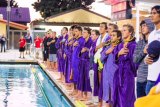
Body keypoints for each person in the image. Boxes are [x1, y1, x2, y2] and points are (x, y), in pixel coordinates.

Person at [113, 24, 136, 107]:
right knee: (117, 95)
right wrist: (119, 53)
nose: (122, 32)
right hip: (118, 73)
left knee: (127, 96)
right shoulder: (119, 45)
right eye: (122, 30)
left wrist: (126, 55)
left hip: (127, 74)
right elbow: (114, 59)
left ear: (130, 32)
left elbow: (135, 62)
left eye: (124, 30)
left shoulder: (133, 45)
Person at [133, 19, 154, 98]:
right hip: (140, 78)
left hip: (151, 79)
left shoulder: (155, 41)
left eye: (145, 25)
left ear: (151, 26)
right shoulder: (139, 43)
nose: (142, 27)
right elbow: (135, 59)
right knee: (140, 103)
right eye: (142, 26)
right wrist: (143, 52)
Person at [100, 30, 122, 107]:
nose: (111, 37)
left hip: (115, 73)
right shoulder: (109, 46)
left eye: (114, 35)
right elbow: (101, 58)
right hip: (106, 73)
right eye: (111, 35)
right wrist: (107, 52)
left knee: (115, 95)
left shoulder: (120, 47)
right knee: (107, 95)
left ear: (119, 37)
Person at [94, 22, 110, 107]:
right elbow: (97, 47)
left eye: (102, 27)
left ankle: (103, 103)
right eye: (99, 27)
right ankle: (100, 102)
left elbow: (103, 46)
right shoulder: (100, 37)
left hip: (104, 62)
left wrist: (100, 46)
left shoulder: (107, 37)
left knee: (103, 83)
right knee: (99, 82)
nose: (100, 28)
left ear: (106, 29)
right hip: (98, 61)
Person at [144, 5, 160, 95]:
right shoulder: (151, 35)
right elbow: (148, 53)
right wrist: (146, 60)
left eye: (154, 13)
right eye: (151, 13)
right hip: (150, 78)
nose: (152, 15)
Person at [76, 27, 93, 100]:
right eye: (83, 32)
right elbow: (79, 52)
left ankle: (87, 96)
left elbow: (93, 51)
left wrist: (87, 49)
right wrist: (81, 52)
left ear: (89, 34)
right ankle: (82, 95)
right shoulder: (83, 42)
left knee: (87, 78)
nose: (83, 34)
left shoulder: (91, 41)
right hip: (82, 62)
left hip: (88, 62)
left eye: (85, 32)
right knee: (81, 78)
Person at [71, 26, 85, 97]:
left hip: (78, 60)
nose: (74, 32)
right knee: (74, 75)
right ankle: (75, 90)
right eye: (74, 31)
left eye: (76, 31)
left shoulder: (82, 40)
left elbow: (82, 50)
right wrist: (73, 45)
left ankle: (79, 92)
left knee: (78, 76)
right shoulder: (76, 40)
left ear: (80, 31)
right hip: (74, 60)